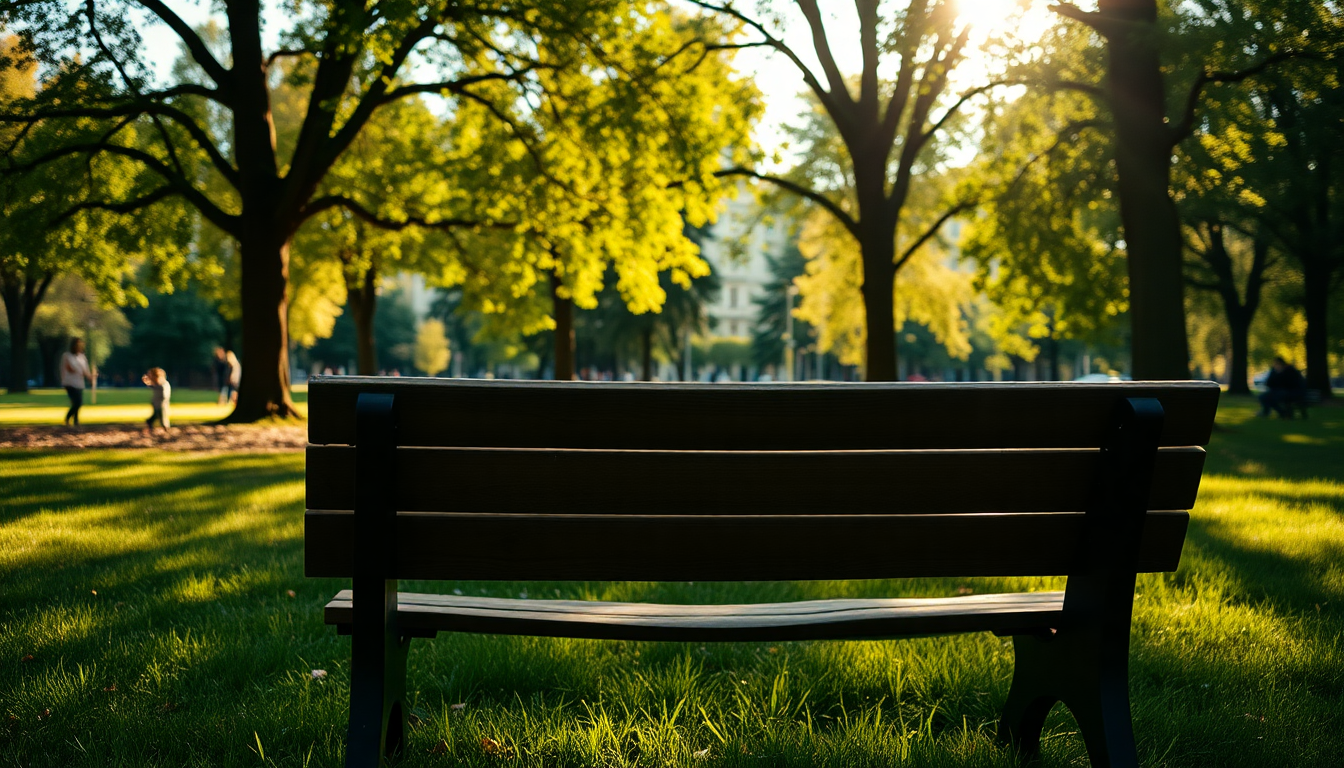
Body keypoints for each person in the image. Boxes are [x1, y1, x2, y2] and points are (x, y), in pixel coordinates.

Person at [60, 338, 93, 428]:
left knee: (78, 402)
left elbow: (86, 370)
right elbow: (69, 368)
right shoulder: (66, 356)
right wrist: (79, 371)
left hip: (79, 383)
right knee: (77, 402)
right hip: (70, 383)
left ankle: (76, 420)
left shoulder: (82, 357)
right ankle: (68, 418)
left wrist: (90, 377)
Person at [142, 367, 172, 432]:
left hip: (161, 402)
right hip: (158, 402)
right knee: (160, 414)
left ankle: (151, 422)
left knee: (158, 414)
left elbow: (157, 385)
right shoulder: (159, 384)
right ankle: (165, 427)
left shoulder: (162, 383)